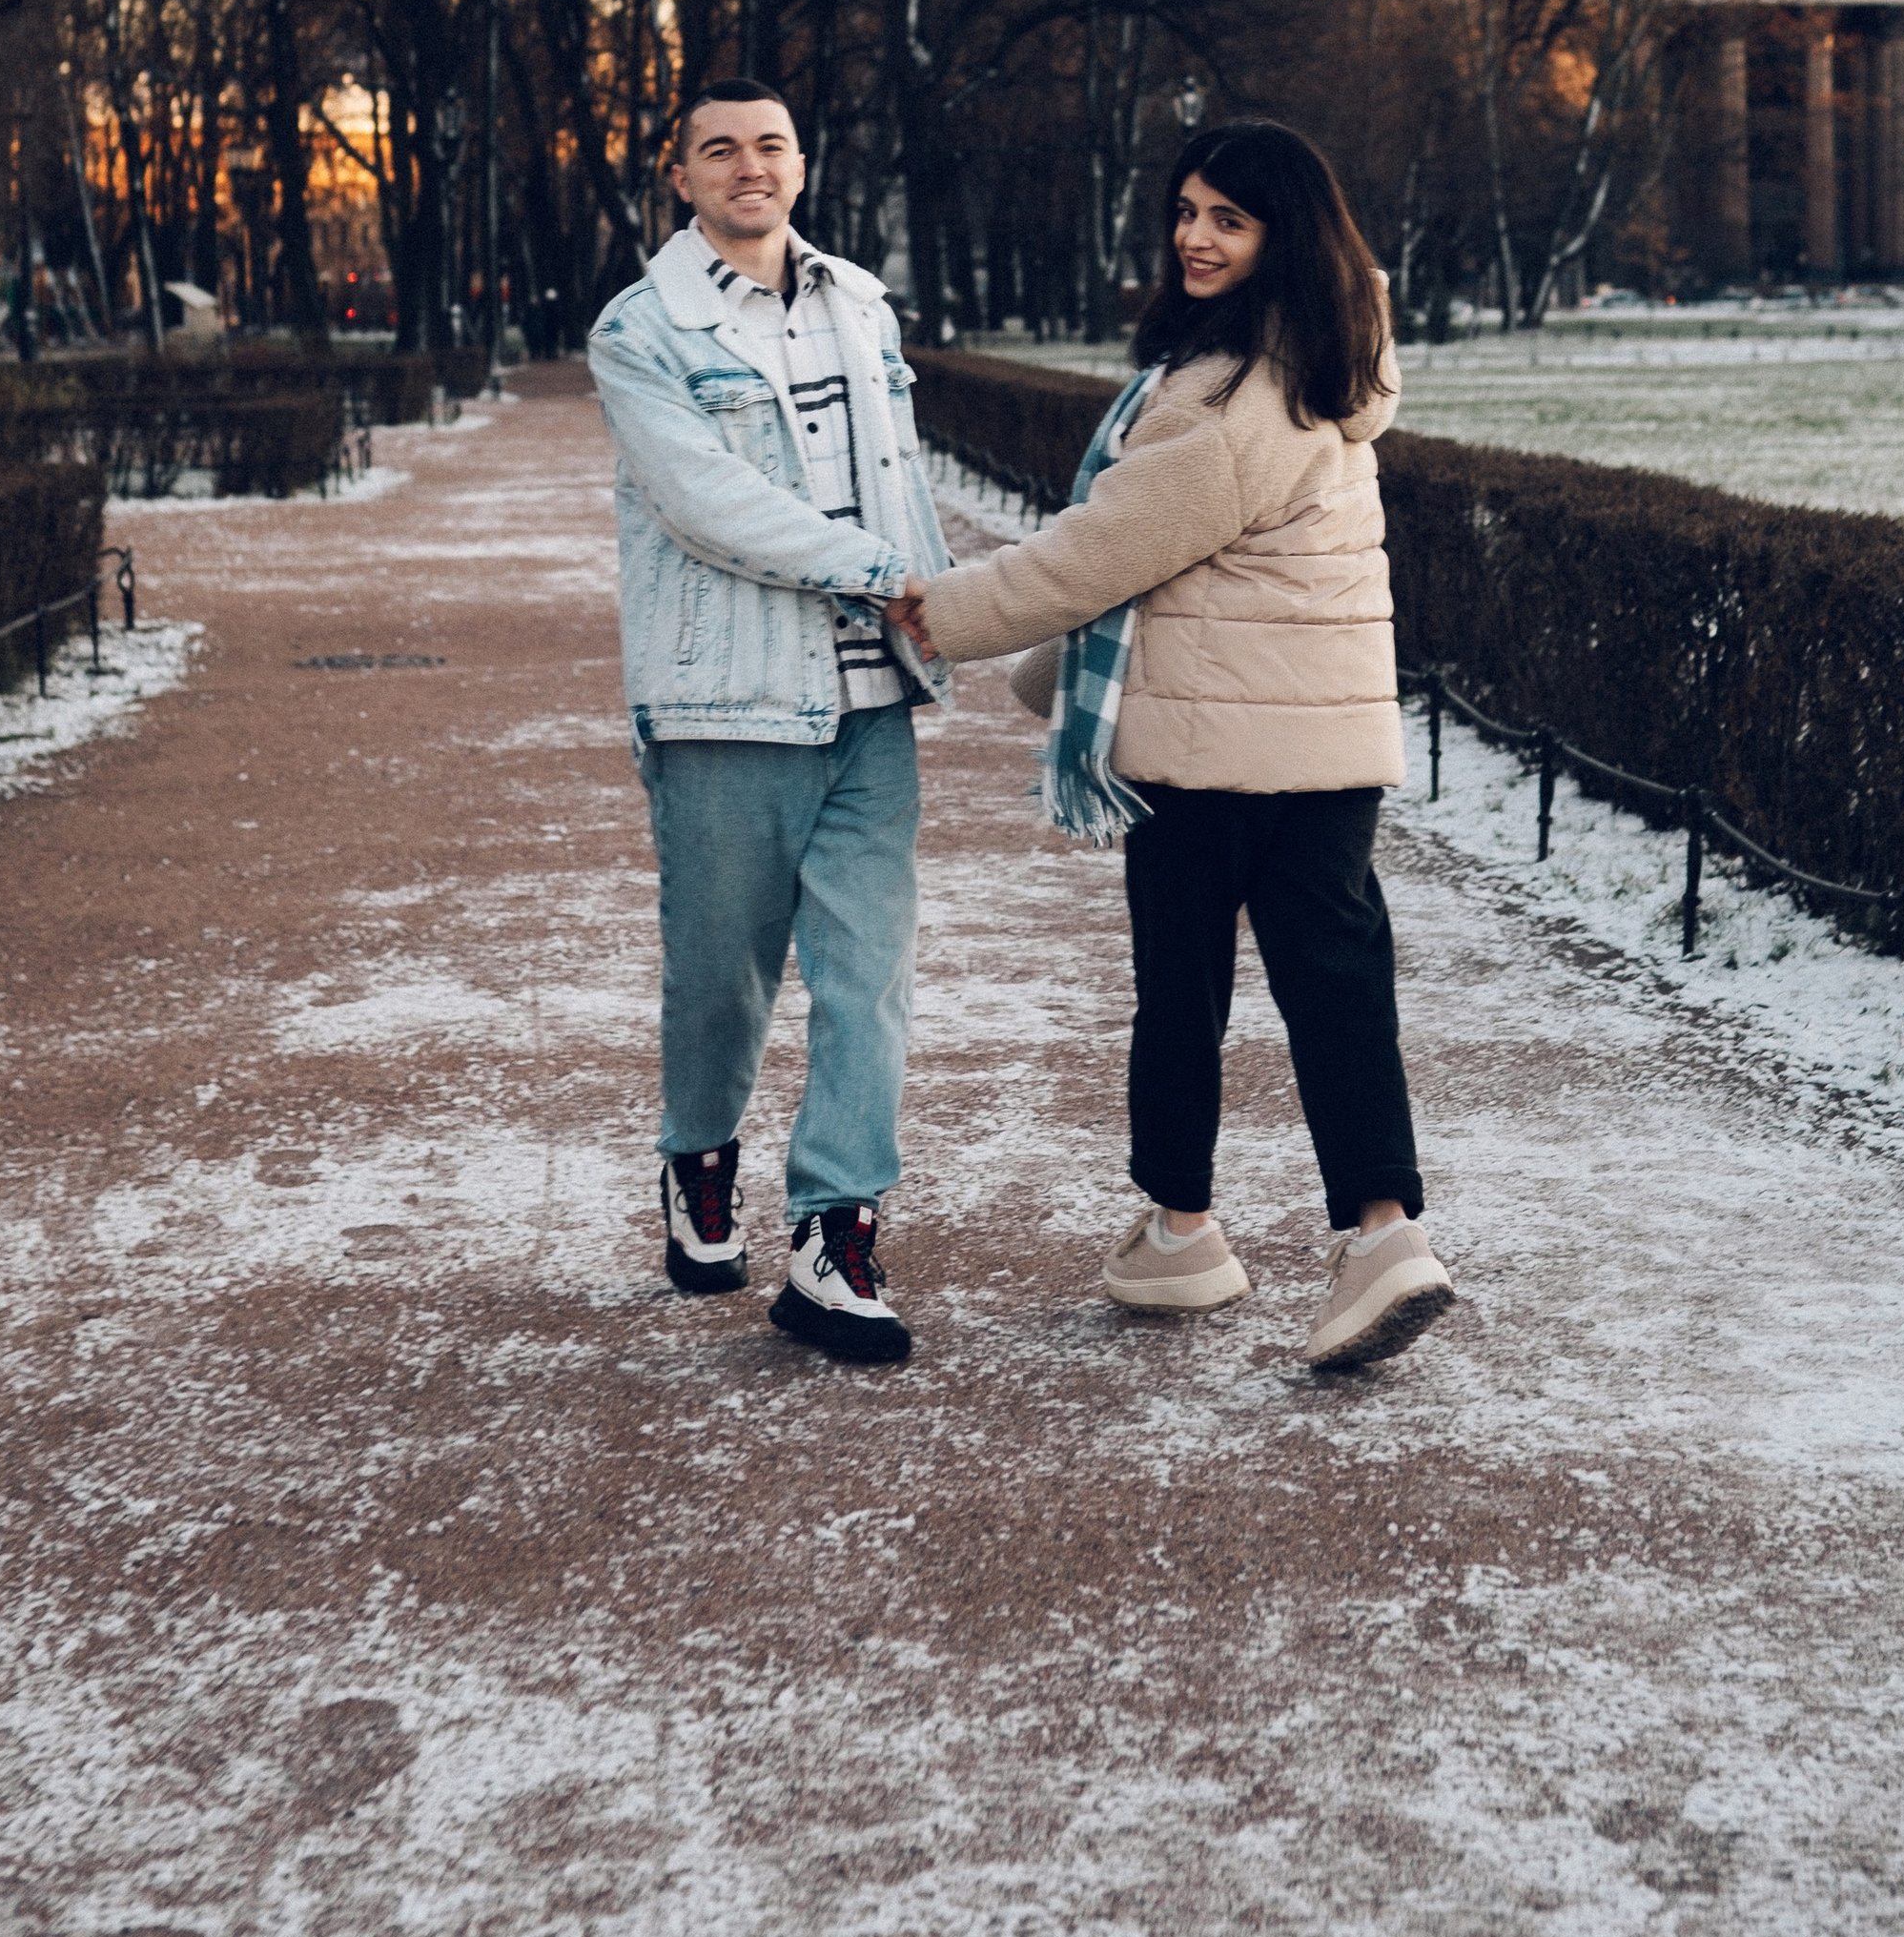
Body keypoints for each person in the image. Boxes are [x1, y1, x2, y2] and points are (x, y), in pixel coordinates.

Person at [894, 121, 1455, 1372]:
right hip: (1330, 739)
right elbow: (1148, 567)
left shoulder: (1228, 403)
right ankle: (1363, 1229)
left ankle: (1204, 1231)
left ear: (1284, 238)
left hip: (1207, 746)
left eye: (1229, 220)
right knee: (1337, 983)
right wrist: (1052, 674)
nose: (1196, 237)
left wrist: (936, 614)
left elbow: (1094, 556)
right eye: (1188, 212)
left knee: (1184, 991)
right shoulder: (1320, 364)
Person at [587, 81, 949, 1364]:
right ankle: (697, 1168)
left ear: (803, 162)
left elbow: (903, 483)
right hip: (725, 702)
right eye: (720, 149)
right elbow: (707, 503)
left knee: (871, 980)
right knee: (722, 979)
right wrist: (875, 570)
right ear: (681, 179)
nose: (751, 166)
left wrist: (951, 612)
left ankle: (834, 1234)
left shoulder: (859, 300)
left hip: (872, 703)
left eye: (773, 144)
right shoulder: (641, 331)